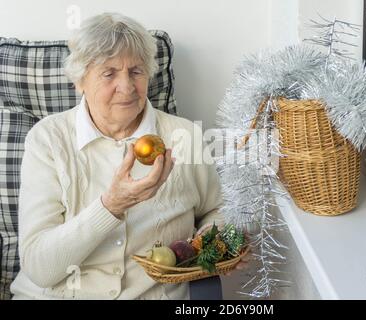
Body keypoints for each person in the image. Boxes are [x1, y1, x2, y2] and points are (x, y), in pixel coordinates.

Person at [10, 12, 247, 300]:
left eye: (136, 71)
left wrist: (211, 242)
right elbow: (40, 269)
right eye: (109, 73)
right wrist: (111, 206)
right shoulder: (47, 139)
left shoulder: (184, 136)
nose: (127, 86)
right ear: (80, 80)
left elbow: (218, 209)